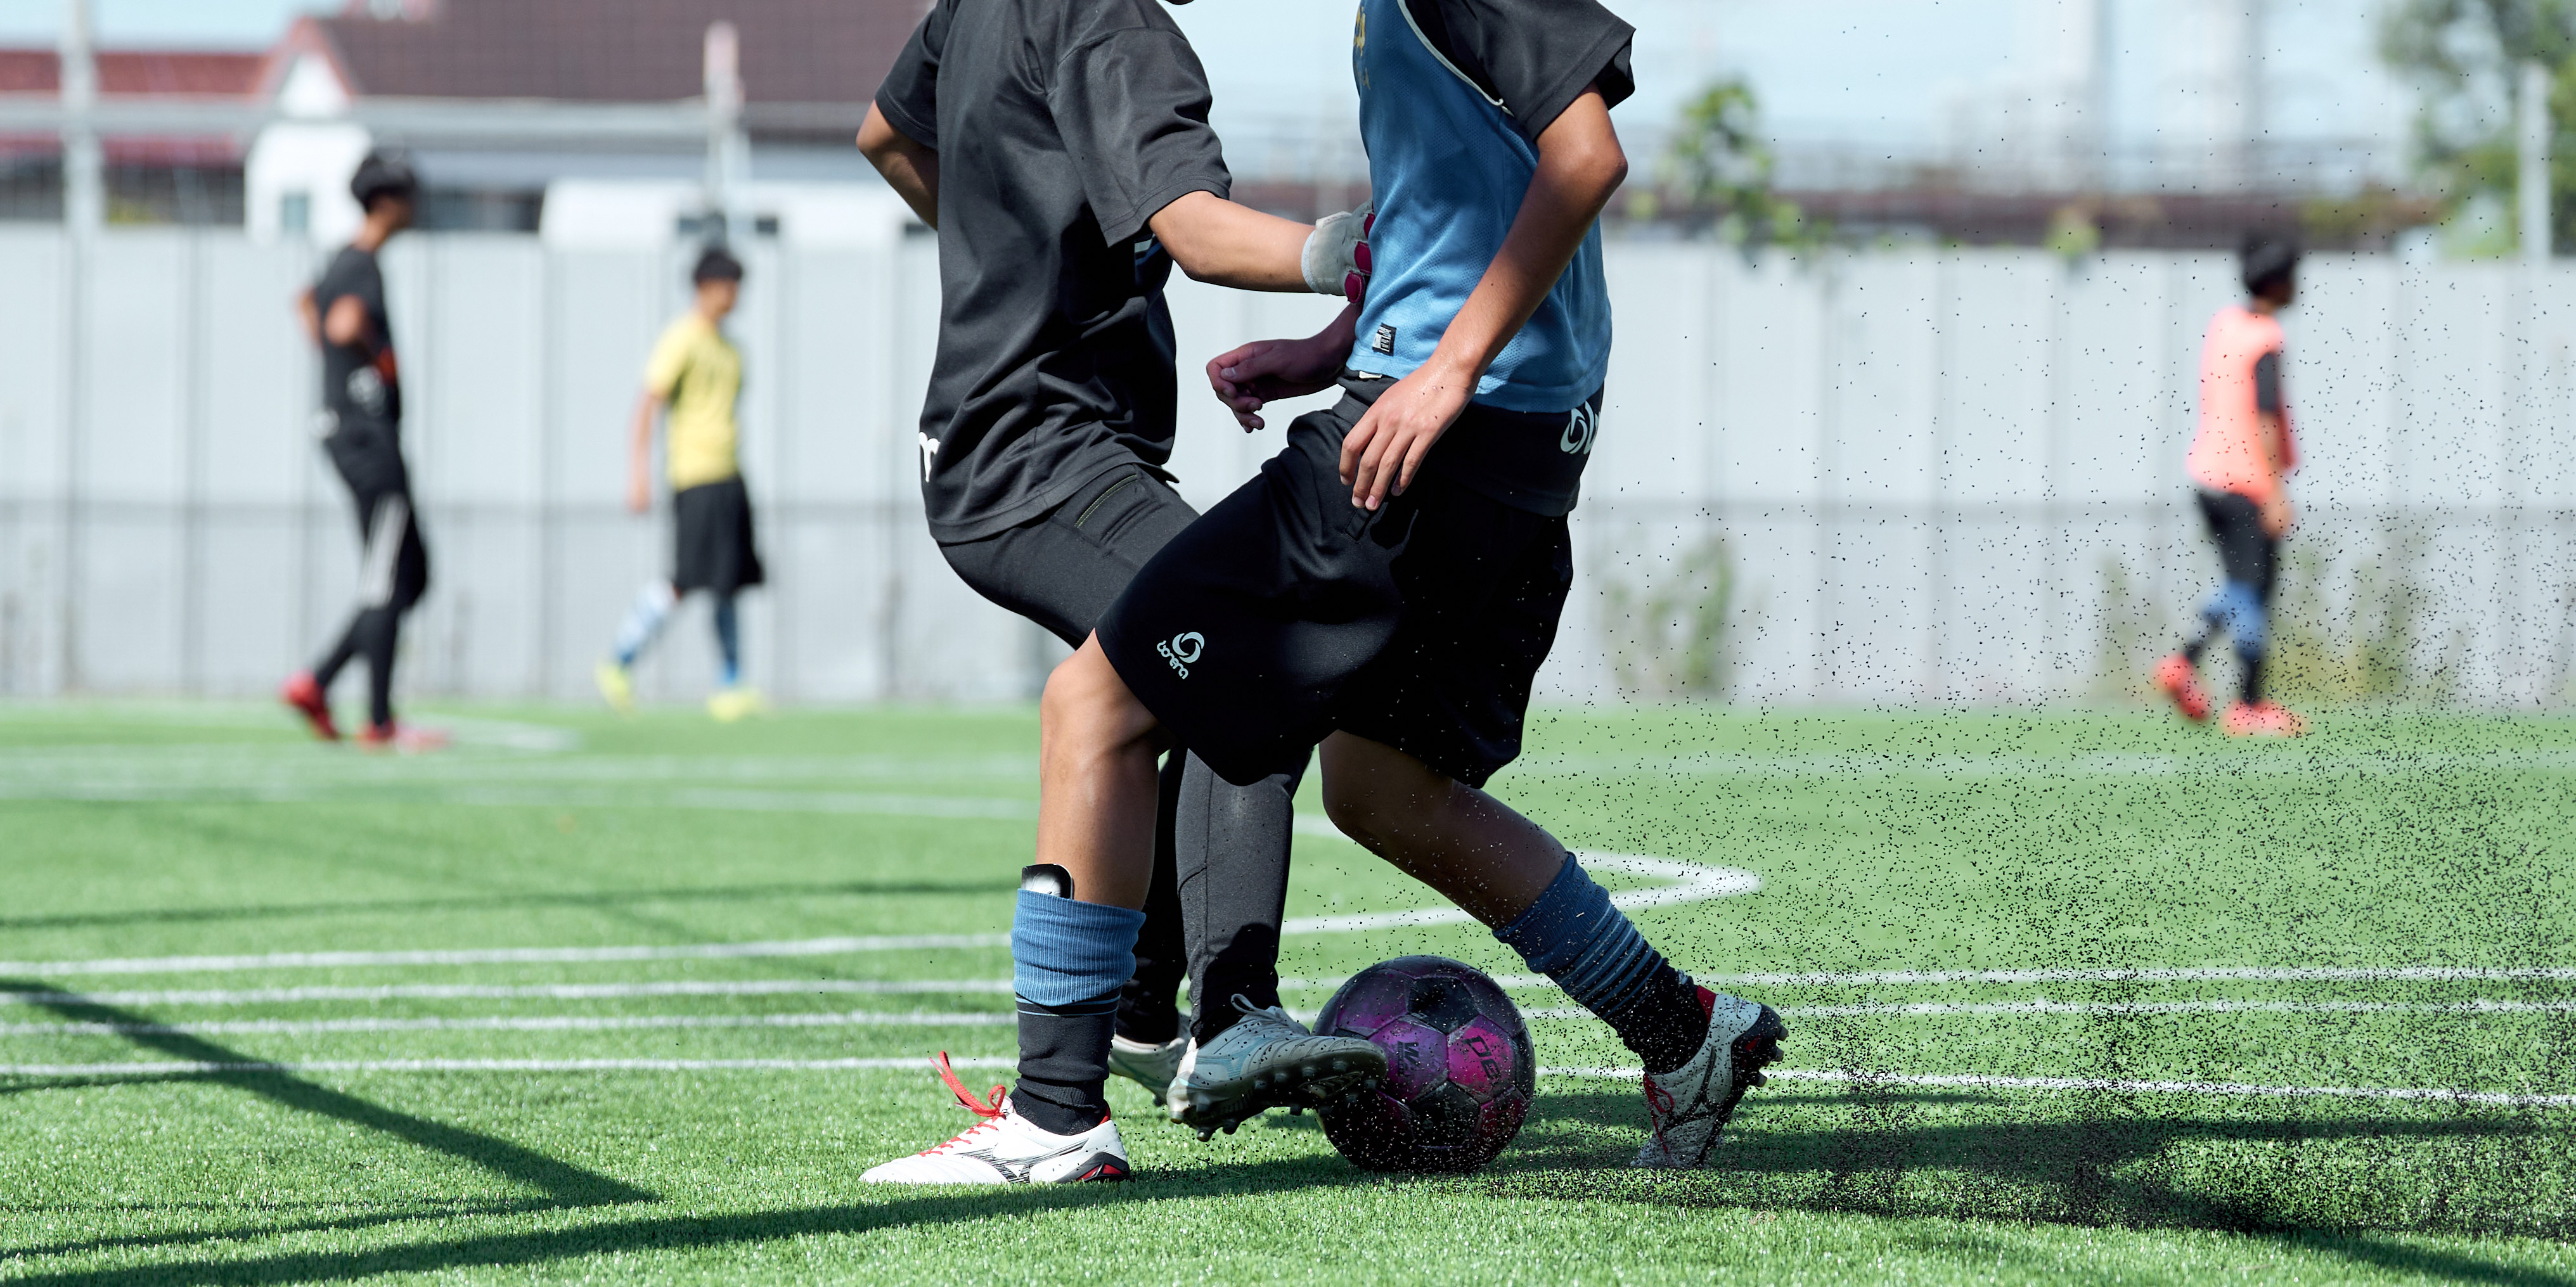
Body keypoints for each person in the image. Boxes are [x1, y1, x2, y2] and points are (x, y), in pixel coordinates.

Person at [863, 0, 1787, 1187]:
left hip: (1411, 450)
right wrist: (1346, 333)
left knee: (1095, 708)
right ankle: (1682, 1030)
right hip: (1514, 465)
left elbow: (1585, 158)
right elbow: (1468, 192)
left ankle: (1059, 1115)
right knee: (1381, 789)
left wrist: (1436, 370)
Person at [853, 0, 1391, 1173]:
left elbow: (884, 139)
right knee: (1238, 640)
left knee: (1183, 666)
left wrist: (1011, 265)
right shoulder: (1114, 21)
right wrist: (1354, 251)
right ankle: (1159, 1056)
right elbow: (1195, 232)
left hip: (990, 448)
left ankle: (1149, 1014)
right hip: (1045, 454)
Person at [279, 150, 443, 752]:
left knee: (411, 575)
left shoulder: (344, 262)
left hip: (353, 434)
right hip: (367, 441)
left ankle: (321, 684)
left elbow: (306, 304)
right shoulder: (362, 267)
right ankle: (375, 717)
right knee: (388, 578)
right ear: (388, 202)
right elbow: (339, 322)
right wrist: (359, 357)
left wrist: (334, 365)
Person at [595, 247, 768, 722]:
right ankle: (619, 662)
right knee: (683, 581)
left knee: (728, 584)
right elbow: (648, 402)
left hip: (730, 475)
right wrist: (638, 473)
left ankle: (731, 684)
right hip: (695, 478)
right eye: (727, 287)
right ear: (705, 288)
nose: (734, 297)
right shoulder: (682, 339)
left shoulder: (732, 350)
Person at [2156, 234, 2307, 738]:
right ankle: (2246, 703)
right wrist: (2276, 492)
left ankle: (2186, 662)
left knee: (2242, 585)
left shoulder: (2225, 325)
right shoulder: (2265, 337)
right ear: (2281, 281)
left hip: (2206, 474)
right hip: (2246, 481)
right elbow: (2264, 417)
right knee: (2254, 588)